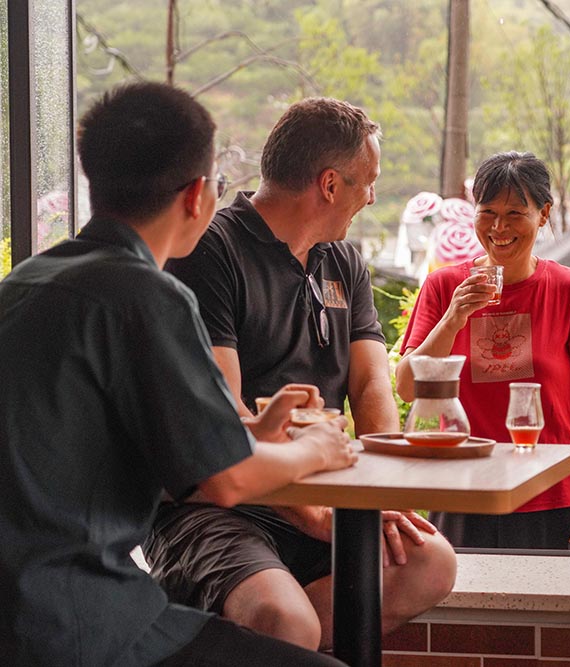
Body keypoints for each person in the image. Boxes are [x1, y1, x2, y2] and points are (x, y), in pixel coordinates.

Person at [0, 82, 355, 666]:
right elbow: (225, 483)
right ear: (198, 196)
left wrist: (255, 430)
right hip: (76, 620)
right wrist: (317, 448)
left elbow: (154, 453)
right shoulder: (145, 293)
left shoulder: (29, 282)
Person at [144, 96, 457, 651]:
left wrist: (380, 494)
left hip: (323, 495)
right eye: (367, 183)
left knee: (429, 562)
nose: (372, 197)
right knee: (285, 620)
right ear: (330, 184)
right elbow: (225, 414)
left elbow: (369, 384)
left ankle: (263, 651)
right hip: (219, 505)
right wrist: (315, 517)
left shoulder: (344, 261)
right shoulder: (210, 249)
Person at [396, 151, 570, 550]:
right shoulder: (444, 287)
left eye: (516, 213)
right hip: (462, 490)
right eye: (488, 211)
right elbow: (409, 388)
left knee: (545, 609)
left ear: (543, 214)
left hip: (549, 493)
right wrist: (453, 317)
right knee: (459, 610)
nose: (499, 227)